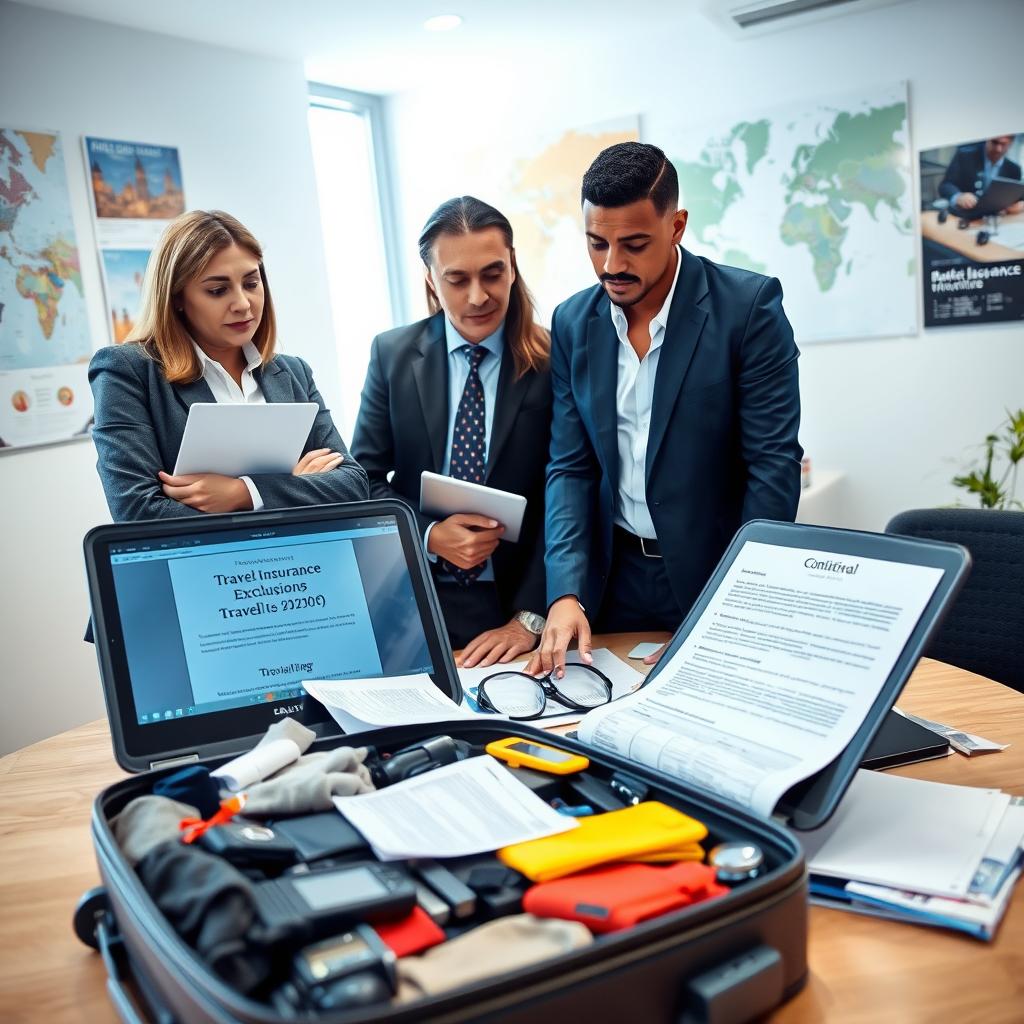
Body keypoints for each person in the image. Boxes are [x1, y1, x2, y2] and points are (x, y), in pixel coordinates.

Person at [527, 142, 802, 677]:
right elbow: (570, 467)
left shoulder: (749, 309)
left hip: (713, 578)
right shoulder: (571, 322)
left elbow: (773, 468)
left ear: (676, 226)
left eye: (633, 244)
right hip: (612, 581)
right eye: (596, 243)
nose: (611, 265)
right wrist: (565, 592)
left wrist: (734, 607)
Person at [352, 196, 551, 666]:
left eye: (492, 273)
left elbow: (571, 495)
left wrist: (530, 618)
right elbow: (363, 480)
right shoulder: (392, 354)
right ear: (430, 280)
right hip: (413, 591)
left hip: (518, 602)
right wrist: (429, 535)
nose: (478, 296)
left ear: (513, 265)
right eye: (457, 280)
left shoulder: (555, 358)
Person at [89, 209, 368, 522]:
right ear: (177, 297)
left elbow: (353, 485)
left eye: (251, 283)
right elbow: (137, 511)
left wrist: (243, 493)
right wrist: (297, 485)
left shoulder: (293, 373)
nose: (243, 304)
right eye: (218, 290)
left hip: (298, 564)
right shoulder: (127, 371)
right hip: (200, 569)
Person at [938, 135, 1023, 215]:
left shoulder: (1014, 169)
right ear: (987, 138)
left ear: (1011, 143)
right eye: (995, 142)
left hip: (998, 218)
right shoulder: (964, 156)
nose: (998, 149)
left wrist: (1020, 204)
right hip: (965, 215)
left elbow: (1018, 197)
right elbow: (946, 185)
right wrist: (958, 197)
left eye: (1003, 144)